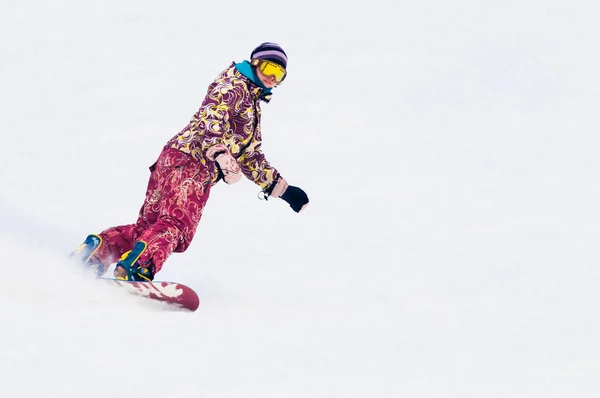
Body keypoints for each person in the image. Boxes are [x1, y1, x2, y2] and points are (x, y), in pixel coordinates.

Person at [71, 42, 309, 282]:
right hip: (192, 165)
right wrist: (220, 155)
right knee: (177, 227)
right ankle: (138, 267)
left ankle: (97, 251)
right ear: (255, 63)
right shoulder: (234, 86)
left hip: (173, 159)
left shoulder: (250, 100)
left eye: (279, 74)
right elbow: (211, 118)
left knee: (149, 228)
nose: (271, 77)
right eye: (268, 67)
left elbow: (249, 156)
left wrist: (284, 190)